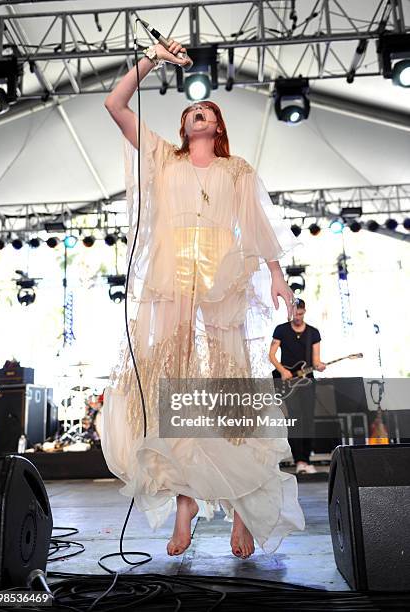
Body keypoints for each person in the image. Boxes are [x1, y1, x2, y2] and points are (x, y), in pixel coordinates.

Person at [101, 38, 305, 560]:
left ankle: (241, 510)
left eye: (206, 111)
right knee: (180, 396)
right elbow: (115, 105)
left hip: (223, 286)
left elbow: (258, 229)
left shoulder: (236, 171)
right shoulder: (162, 160)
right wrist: (151, 60)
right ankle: (185, 502)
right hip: (173, 291)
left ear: (217, 127)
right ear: (183, 126)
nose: (197, 114)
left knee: (229, 394)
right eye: (191, 110)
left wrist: (279, 278)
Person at [269, 299, 326, 474]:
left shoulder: (313, 333)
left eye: (300, 313)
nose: (298, 317)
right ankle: (298, 459)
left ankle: (306, 460)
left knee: (308, 419)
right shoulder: (281, 330)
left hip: (307, 380)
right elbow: (271, 355)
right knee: (294, 419)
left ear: (304, 311)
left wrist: (319, 365)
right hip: (288, 381)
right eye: (295, 313)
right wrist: (282, 370)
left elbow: (315, 360)